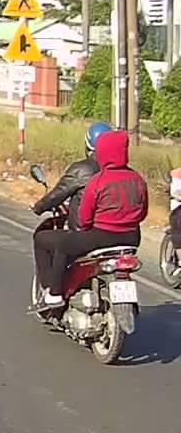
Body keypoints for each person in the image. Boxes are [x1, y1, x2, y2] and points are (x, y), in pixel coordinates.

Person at [33, 128, 148, 307]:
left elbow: (84, 219)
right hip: (131, 239)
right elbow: (143, 212)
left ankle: (55, 293)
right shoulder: (137, 178)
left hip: (100, 237)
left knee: (59, 244)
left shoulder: (99, 180)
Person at [31, 121, 110, 231]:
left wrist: (39, 207)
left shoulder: (82, 169)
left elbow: (58, 193)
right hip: (121, 234)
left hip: (84, 233)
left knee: (42, 237)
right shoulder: (124, 173)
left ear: (87, 145)